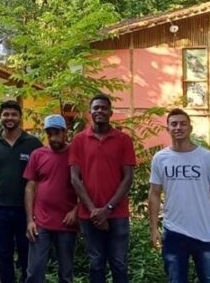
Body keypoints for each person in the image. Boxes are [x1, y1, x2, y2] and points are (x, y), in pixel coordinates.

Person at [149, 108, 210, 283]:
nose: (178, 127)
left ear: (190, 128)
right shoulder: (160, 158)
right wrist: (154, 228)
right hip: (173, 232)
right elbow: (154, 193)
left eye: (183, 124)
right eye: (174, 124)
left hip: (205, 233)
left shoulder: (206, 157)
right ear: (167, 129)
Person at [70, 94, 136, 283]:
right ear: (90, 112)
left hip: (118, 214)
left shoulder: (123, 140)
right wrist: (94, 211)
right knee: (96, 263)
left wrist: (107, 210)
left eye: (104, 108)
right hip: (89, 215)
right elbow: (75, 178)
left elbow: (128, 177)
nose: (99, 111)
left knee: (119, 263)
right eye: (96, 108)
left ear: (111, 113)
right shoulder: (79, 140)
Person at [0, 101, 42, 283]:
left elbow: (41, 175)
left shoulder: (33, 143)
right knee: (4, 254)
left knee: (26, 253)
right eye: (6, 114)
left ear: (20, 117)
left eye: (14, 114)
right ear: (0, 117)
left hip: (26, 210)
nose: (9, 118)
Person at [24, 115, 78, 283]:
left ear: (65, 132)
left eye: (57, 133)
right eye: (50, 133)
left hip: (66, 223)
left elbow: (86, 185)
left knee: (66, 273)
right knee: (34, 271)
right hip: (41, 223)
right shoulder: (37, 155)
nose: (53, 138)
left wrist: (76, 211)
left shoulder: (76, 154)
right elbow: (30, 187)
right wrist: (29, 221)